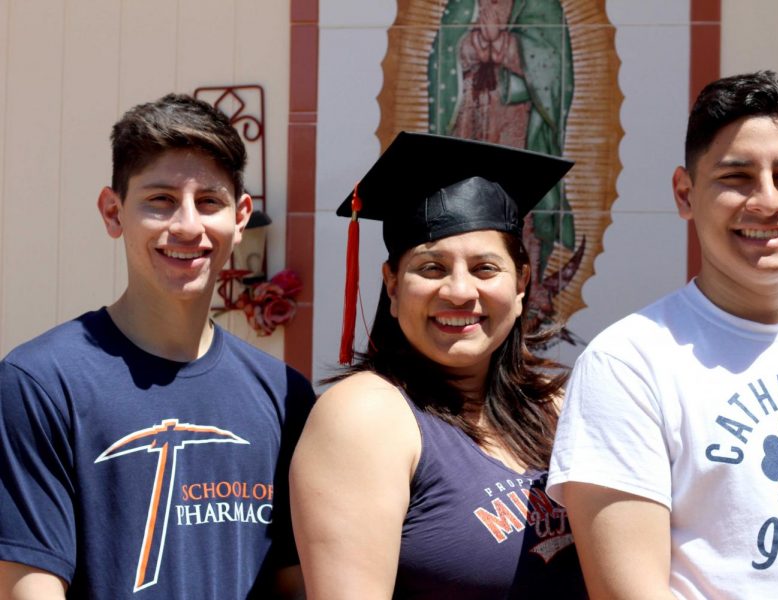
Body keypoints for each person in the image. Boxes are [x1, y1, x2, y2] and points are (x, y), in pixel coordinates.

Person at [547, 70, 778, 598]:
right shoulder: (628, 364)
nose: (766, 202)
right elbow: (630, 591)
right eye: (735, 178)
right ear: (685, 194)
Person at [0, 94, 315, 599]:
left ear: (240, 216)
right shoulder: (42, 383)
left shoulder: (284, 397)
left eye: (208, 202)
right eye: (160, 200)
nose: (187, 225)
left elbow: (295, 584)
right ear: (112, 211)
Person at [290, 132, 587, 598]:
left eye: (485, 269)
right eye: (431, 268)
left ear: (522, 280)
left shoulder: (556, 405)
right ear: (391, 283)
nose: (459, 291)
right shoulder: (367, 415)